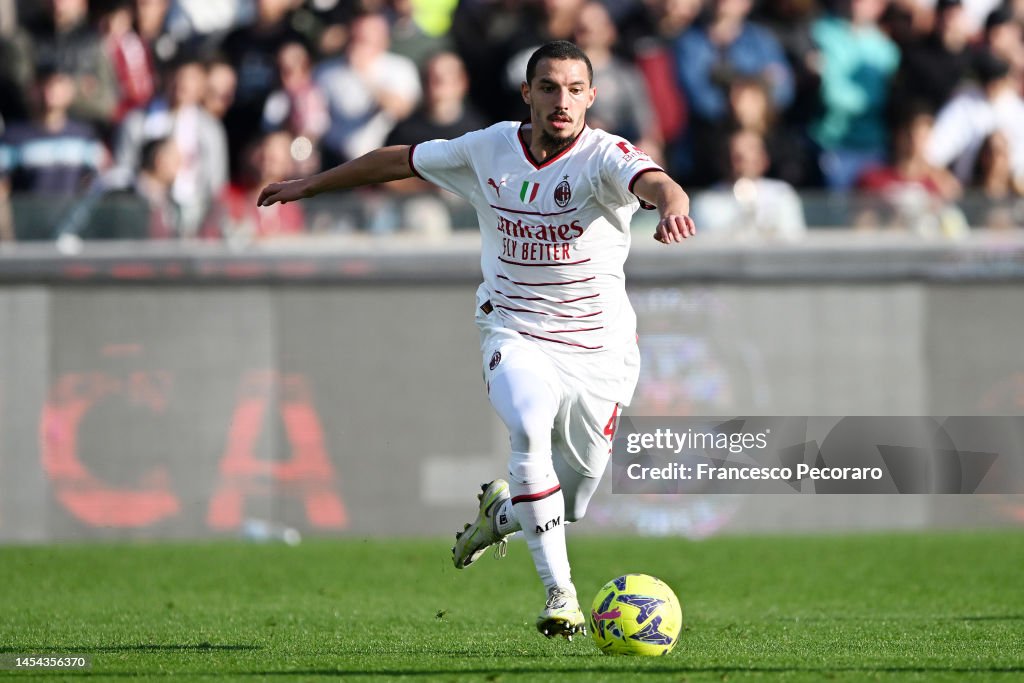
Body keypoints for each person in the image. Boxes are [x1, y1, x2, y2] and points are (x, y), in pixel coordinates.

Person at [257, 40, 696, 639]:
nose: (561, 101)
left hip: (598, 351)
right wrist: (311, 184)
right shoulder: (488, 148)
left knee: (574, 499)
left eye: (574, 90)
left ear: (591, 97)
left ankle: (501, 514)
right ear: (528, 94)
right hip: (513, 329)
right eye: (548, 88)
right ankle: (560, 596)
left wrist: (672, 205)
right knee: (529, 423)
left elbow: (655, 181)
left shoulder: (603, 156)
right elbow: (401, 159)